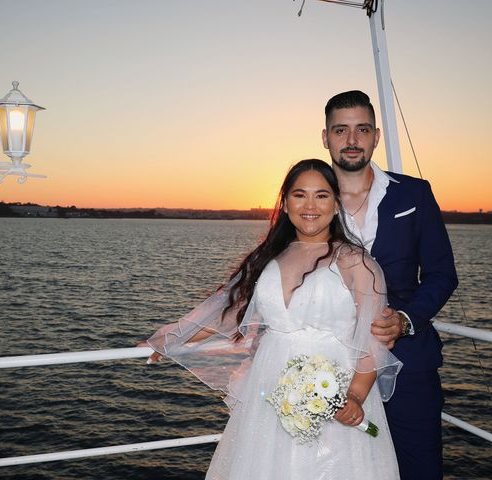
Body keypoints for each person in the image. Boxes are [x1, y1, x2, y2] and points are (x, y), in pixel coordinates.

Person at [141, 159, 402, 479]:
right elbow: (228, 312)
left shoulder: (355, 261)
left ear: (336, 203)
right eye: (299, 194)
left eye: (321, 195)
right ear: (285, 202)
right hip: (269, 386)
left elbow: (373, 336)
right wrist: (168, 340)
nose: (310, 205)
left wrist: (355, 396)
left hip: (336, 390)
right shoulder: (268, 257)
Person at [321, 90, 459, 480]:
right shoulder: (312, 202)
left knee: (419, 469)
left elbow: (442, 274)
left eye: (362, 130)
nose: (351, 140)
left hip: (409, 363)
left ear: (376, 136)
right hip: (332, 367)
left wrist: (405, 318)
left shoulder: (414, 193)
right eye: (341, 130)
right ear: (325, 138)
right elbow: (277, 272)